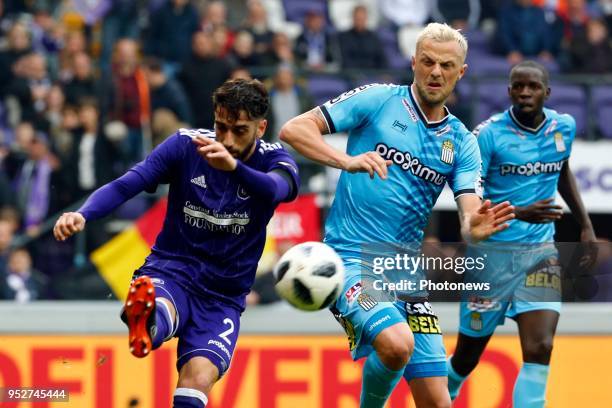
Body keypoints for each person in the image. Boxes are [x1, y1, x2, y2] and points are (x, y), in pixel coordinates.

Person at [280, 22, 514, 408]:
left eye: (446, 65)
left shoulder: (462, 142)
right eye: (427, 62)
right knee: (396, 343)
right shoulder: (378, 99)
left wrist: (477, 228)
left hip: (406, 273)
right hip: (349, 260)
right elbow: (294, 129)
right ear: (413, 62)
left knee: (437, 401)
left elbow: (469, 217)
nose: (435, 72)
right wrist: (347, 160)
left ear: (462, 72)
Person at [53, 79, 300, 408]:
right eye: (220, 126)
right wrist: (84, 214)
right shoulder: (185, 146)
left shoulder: (276, 160)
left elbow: (275, 190)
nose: (226, 138)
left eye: (239, 130)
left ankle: (150, 321)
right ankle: (148, 321)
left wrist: (234, 168)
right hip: (173, 269)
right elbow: (130, 182)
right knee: (162, 309)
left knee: (198, 378)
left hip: (223, 296)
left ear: (261, 127)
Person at [446, 61, 596, 408]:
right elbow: (471, 194)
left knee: (540, 347)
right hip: (491, 257)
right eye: (518, 87)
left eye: (532, 86)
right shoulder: (488, 135)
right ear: (509, 91)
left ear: (547, 92)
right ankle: (442, 394)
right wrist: (517, 211)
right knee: (467, 357)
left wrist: (585, 223)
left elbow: (562, 171)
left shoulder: (564, 127)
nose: (525, 92)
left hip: (539, 252)